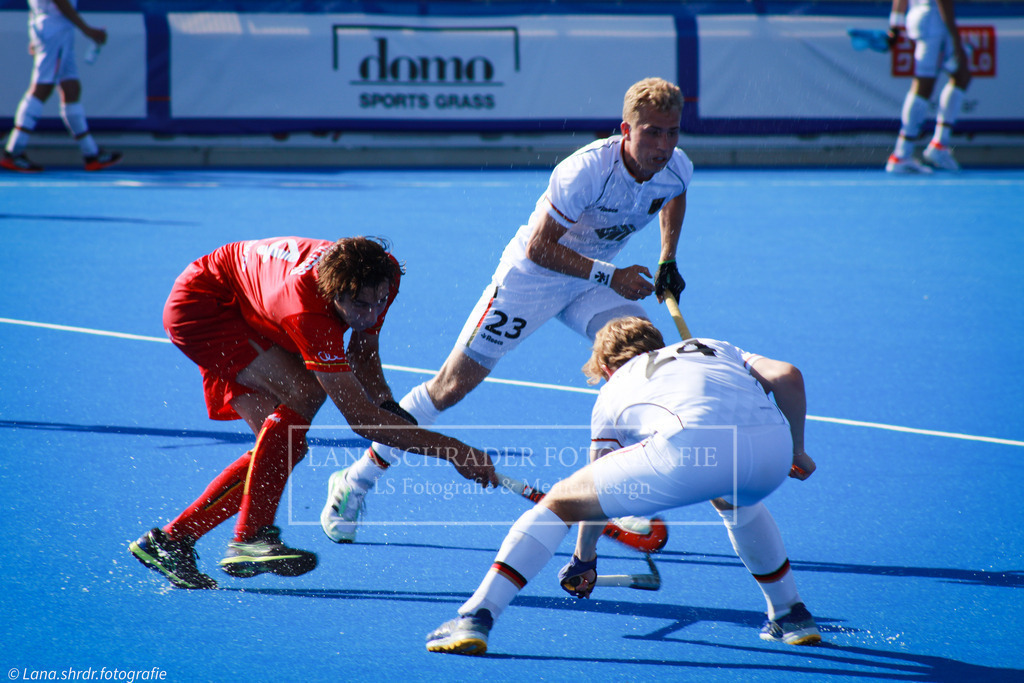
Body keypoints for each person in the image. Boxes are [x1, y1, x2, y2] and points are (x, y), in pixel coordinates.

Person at [320, 77, 694, 544]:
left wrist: (667, 257)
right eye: (652, 133)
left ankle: (622, 491)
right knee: (450, 388)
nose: (663, 145)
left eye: (673, 132)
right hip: (531, 281)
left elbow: (673, 195)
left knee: (641, 354)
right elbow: (539, 249)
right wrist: (610, 276)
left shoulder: (677, 167)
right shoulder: (585, 172)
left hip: (589, 282)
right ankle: (355, 481)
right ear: (626, 129)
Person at [425, 317, 821, 655]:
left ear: (606, 367)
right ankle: (790, 613)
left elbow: (591, 498)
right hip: (771, 450)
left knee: (563, 500)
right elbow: (788, 376)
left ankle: (477, 616)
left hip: (690, 450)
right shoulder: (713, 346)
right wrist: (797, 450)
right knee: (736, 500)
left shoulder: (614, 389)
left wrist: (585, 559)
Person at [129, 236, 497, 590]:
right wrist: (455, 451)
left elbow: (363, 348)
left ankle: (172, 541)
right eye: (360, 306)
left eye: (379, 303)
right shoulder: (308, 313)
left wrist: (386, 403)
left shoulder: (383, 273)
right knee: (305, 393)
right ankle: (250, 537)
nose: (371, 314)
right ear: (332, 294)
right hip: (206, 307)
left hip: (246, 301)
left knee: (283, 448)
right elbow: (360, 419)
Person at [1, 0, 121, 173]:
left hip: (53, 28)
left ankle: (91, 154)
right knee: (43, 86)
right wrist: (87, 29)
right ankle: (13, 151)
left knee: (71, 87)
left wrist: (35, 32)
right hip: (55, 29)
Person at [885, 0, 972, 173]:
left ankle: (939, 144)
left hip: (920, 18)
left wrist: (894, 25)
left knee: (962, 75)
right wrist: (955, 38)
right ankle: (902, 154)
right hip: (934, 22)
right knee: (924, 85)